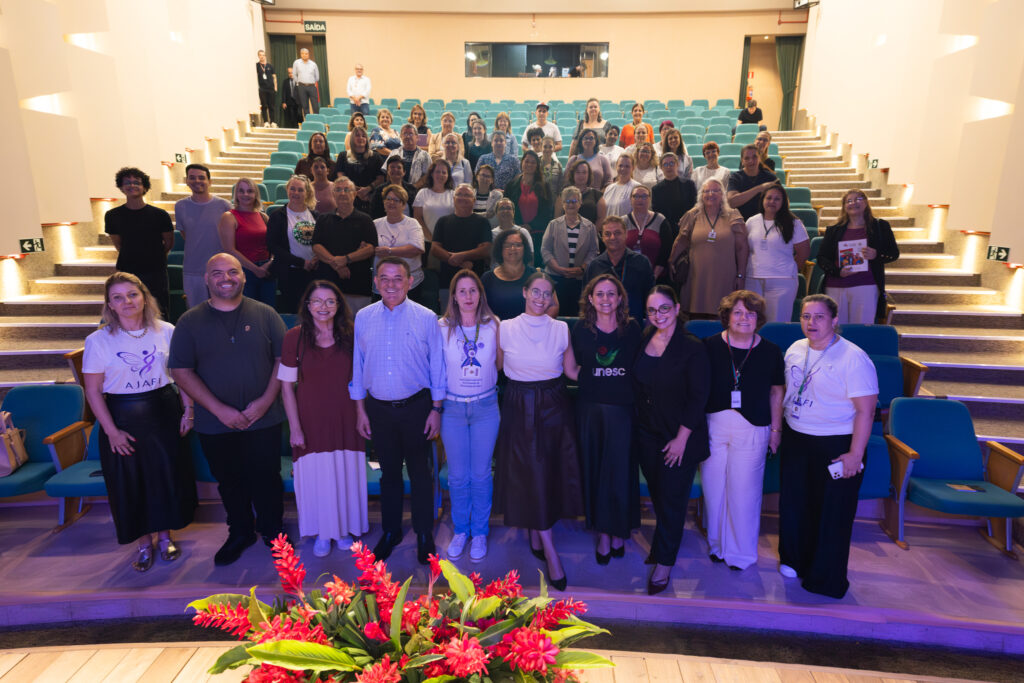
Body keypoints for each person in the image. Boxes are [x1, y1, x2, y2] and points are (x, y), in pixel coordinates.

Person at [168, 253, 287, 567]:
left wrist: (265, 401)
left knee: (267, 477)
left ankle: (273, 531)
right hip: (215, 422)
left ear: (244, 277)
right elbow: (180, 371)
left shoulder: (266, 314)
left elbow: (283, 361)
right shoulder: (189, 321)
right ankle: (240, 531)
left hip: (264, 418)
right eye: (217, 273)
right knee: (230, 481)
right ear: (206, 279)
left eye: (233, 272)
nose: (226, 278)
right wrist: (219, 410)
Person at [82, 272, 196, 572]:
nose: (127, 302)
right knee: (130, 483)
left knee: (164, 477)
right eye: (118, 298)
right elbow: (92, 391)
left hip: (163, 413)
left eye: (132, 294)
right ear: (110, 305)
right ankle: (144, 543)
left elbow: (182, 375)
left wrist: (188, 410)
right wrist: (111, 432)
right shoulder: (97, 340)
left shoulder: (167, 331)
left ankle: (166, 537)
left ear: (144, 297)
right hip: (121, 419)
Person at [779, 294, 878, 598]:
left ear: (834, 320)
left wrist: (855, 454)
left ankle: (824, 578)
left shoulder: (853, 357)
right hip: (797, 438)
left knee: (832, 513)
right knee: (796, 504)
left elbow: (866, 412)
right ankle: (794, 560)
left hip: (836, 443)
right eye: (806, 316)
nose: (811, 323)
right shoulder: (796, 349)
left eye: (819, 317)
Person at [351, 258, 445, 564]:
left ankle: (423, 533)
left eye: (398, 278)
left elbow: (437, 365)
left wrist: (436, 409)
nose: (391, 284)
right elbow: (358, 365)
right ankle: (391, 531)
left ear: (410, 281)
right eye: (385, 278)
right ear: (376, 282)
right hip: (378, 409)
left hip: (417, 407)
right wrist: (360, 410)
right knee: (388, 473)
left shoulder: (426, 317)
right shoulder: (363, 317)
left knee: (420, 473)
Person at [495, 272, 582, 590]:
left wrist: (611, 370)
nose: (541, 298)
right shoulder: (505, 327)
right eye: (536, 291)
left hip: (554, 403)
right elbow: (498, 367)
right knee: (530, 472)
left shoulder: (561, 329)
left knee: (546, 473)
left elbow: (572, 371)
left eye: (547, 293)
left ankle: (536, 530)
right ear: (524, 292)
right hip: (519, 403)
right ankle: (550, 551)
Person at [279, 281, 366, 557]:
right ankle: (321, 532)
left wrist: (362, 414)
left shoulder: (352, 335)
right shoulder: (294, 337)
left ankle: (342, 530)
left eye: (330, 301)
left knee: (344, 473)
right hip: (310, 419)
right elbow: (286, 388)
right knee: (316, 475)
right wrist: (295, 428)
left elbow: (360, 380)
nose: (323, 307)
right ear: (307, 306)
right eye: (317, 301)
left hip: (346, 416)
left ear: (339, 305)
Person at [632, 285, 710, 594]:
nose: (658, 315)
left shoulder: (692, 346)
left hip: (678, 437)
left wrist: (681, 439)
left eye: (664, 308)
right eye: (652, 310)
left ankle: (664, 562)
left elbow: (698, 397)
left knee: (673, 500)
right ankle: (662, 546)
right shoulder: (645, 338)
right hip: (647, 433)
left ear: (677, 308)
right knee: (659, 496)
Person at [702, 290, 785, 571]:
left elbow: (777, 392)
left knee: (745, 494)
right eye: (737, 312)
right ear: (727, 316)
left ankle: (740, 554)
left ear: (758, 319)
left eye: (750, 313)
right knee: (714, 491)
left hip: (753, 428)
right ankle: (717, 545)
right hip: (713, 426)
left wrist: (776, 431)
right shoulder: (709, 346)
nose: (744, 318)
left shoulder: (771, 351)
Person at [566, 275, 642, 564]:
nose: (606, 299)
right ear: (591, 298)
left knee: (620, 473)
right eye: (600, 294)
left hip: (622, 410)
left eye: (611, 294)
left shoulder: (632, 329)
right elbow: (571, 370)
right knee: (596, 471)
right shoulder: (580, 329)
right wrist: (593, 381)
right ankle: (603, 534)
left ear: (620, 298)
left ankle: (618, 529)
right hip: (591, 411)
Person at [439, 270, 502, 562]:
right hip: (452, 409)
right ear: (454, 296)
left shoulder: (493, 325)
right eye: (462, 291)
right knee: (457, 476)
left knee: (480, 474)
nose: (467, 296)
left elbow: (499, 364)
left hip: (485, 407)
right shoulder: (441, 327)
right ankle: (461, 530)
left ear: (480, 294)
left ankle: (479, 532)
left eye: (473, 290)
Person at [818, 190, 900, 325]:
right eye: (849, 201)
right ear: (844, 206)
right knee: (835, 329)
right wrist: (838, 272)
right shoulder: (834, 230)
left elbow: (893, 253)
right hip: (835, 286)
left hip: (865, 285)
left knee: (861, 329)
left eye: (858, 199)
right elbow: (822, 258)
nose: (853, 203)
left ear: (866, 202)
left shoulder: (880, 226)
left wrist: (876, 254)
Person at [670, 178, 748, 318]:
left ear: (722, 195)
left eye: (715, 191)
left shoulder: (733, 215)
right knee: (694, 318)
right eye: (706, 191)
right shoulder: (692, 215)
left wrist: (741, 276)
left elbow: (742, 248)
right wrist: (671, 261)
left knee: (723, 315)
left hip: (724, 278)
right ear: (701, 195)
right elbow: (681, 241)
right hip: (696, 277)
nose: (710, 194)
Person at [105, 167, 174, 319]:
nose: (132, 185)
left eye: (136, 182)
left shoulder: (160, 215)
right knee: (129, 309)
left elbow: (169, 242)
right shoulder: (112, 215)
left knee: (160, 309)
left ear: (144, 187)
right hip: (127, 269)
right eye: (127, 182)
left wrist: (155, 255)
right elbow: (118, 245)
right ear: (121, 187)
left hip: (155, 270)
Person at [312, 177, 378, 314]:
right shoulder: (323, 219)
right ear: (333, 194)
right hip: (328, 285)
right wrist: (337, 264)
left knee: (358, 325)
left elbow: (371, 249)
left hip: (358, 286)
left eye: (347, 190)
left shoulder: (366, 220)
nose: (342, 193)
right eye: (338, 190)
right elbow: (316, 246)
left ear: (354, 194)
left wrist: (346, 259)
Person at [746, 184, 811, 322]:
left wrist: (789, 269)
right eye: (769, 198)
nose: (772, 201)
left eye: (777, 199)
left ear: (783, 202)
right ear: (763, 200)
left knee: (777, 322)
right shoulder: (752, 221)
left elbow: (804, 252)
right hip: (753, 279)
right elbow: (746, 249)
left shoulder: (794, 223)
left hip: (782, 282)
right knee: (752, 321)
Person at [175, 164, 232, 308]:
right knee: (197, 312)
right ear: (187, 181)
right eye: (192, 177)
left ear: (209, 181)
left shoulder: (224, 205)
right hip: (193, 269)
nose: (197, 181)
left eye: (201, 178)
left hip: (220, 268)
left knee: (223, 309)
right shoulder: (180, 206)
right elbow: (186, 234)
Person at [431, 184, 493, 307]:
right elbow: (435, 249)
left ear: (474, 200)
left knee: (474, 316)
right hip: (447, 283)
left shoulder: (482, 222)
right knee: (448, 317)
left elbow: (486, 250)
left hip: (475, 281)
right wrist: (460, 262)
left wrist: (460, 256)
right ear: (454, 199)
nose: (463, 198)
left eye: (467, 195)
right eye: (459, 194)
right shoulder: (442, 221)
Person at [217, 177, 275, 307]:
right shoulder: (229, 217)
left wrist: (269, 263)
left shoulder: (263, 216)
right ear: (236, 194)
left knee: (268, 311)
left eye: (250, 191)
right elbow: (229, 250)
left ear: (256, 194)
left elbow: (272, 244)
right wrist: (255, 269)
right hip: (244, 271)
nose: (245, 194)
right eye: (241, 191)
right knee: (247, 312)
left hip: (266, 270)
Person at [541, 186, 598, 316]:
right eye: (567, 201)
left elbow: (593, 251)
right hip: (556, 278)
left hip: (580, 280)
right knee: (556, 314)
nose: (570, 204)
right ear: (562, 204)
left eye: (574, 201)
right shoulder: (553, 225)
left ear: (580, 203)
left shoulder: (590, 226)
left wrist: (582, 269)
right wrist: (559, 269)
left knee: (577, 315)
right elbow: (545, 250)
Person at [584, 215, 654, 320]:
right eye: (607, 234)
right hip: (601, 326)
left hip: (634, 324)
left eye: (617, 233)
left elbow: (651, 299)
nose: (612, 237)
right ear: (602, 237)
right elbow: (586, 302)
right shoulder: (593, 266)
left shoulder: (642, 263)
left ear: (626, 234)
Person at [267, 175, 319, 314]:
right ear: (287, 190)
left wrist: (316, 259)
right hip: (288, 274)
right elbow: (272, 246)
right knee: (292, 313)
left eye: (300, 190)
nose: (296, 193)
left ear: (307, 192)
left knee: (311, 312)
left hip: (312, 272)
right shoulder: (277, 216)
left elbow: (322, 242)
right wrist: (301, 263)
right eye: (292, 189)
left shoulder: (315, 216)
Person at [373, 184, 426, 302]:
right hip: (383, 285)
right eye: (388, 199)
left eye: (396, 200)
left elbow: (417, 249)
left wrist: (389, 251)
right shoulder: (375, 224)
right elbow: (368, 247)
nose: (391, 202)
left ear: (403, 205)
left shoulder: (412, 224)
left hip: (409, 285)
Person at [482, 226, 544, 320]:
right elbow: (480, 310)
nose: (513, 248)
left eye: (518, 245)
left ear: (525, 248)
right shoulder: (487, 278)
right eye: (507, 245)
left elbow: (552, 306)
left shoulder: (535, 276)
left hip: (529, 328)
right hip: (497, 328)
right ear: (500, 249)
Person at [505, 151, 554, 266]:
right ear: (522, 162)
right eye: (527, 161)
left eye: (533, 162)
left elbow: (547, 212)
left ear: (537, 166)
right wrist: (519, 226)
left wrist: (530, 226)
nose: (529, 164)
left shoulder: (544, 186)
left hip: (538, 235)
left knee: (534, 268)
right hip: (516, 233)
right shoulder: (511, 185)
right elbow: (507, 209)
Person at [625, 185, 672, 280]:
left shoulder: (660, 220)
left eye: (644, 196)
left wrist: (654, 275)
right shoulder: (623, 221)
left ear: (650, 199)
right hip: (628, 276)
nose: (640, 199)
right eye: (636, 196)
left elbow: (666, 250)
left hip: (656, 276)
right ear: (630, 199)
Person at [335, 127, 385, 214]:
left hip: (369, 198)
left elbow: (381, 178)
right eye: (357, 135)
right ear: (352, 139)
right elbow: (340, 176)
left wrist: (367, 189)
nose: (361, 138)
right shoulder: (343, 156)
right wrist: (356, 190)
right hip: (348, 197)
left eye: (363, 136)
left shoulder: (376, 156)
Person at [727, 145, 778, 221]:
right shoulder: (735, 177)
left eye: (754, 157)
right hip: (741, 223)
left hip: (765, 222)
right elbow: (731, 202)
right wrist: (759, 188)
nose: (751, 161)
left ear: (759, 158)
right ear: (742, 161)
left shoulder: (771, 178)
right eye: (747, 158)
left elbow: (782, 202)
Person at [412, 159, 455, 248]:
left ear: (448, 176)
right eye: (437, 172)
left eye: (444, 172)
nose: (441, 175)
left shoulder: (453, 194)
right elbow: (417, 218)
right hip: (426, 241)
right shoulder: (423, 193)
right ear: (432, 174)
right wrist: (432, 239)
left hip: (448, 241)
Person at [652, 152, 698, 235]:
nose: (669, 167)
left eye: (672, 163)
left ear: (677, 165)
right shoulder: (656, 189)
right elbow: (658, 212)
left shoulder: (689, 184)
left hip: (688, 226)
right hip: (667, 229)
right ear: (661, 168)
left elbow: (694, 205)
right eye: (665, 164)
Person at [555, 159, 607, 227]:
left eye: (584, 172)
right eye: (578, 172)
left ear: (589, 175)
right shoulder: (563, 194)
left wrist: (591, 232)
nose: (581, 175)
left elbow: (601, 218)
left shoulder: (597, 195)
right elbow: (557, 217)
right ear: (573, 174)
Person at [369, 155, 417, 220]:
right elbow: (374, 213)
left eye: (399, 167)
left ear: (404, 172)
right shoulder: (379, 190)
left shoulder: (412, 190)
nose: (395, 169)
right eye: (392, 167)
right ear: (388, 171)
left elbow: (416, 212)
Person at [603, 154, 642, 219]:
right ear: (616, 167)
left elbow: (640, 214)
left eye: (627, 166)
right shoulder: (608, 188)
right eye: (620, 165)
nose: (623, 169)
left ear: (633, 168)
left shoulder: (637, 188)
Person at [291, 48, 320, 115]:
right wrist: (299, 82)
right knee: (305, 106)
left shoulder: (313, 64)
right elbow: (294, 74)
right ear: (301, 54)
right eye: (303, 53)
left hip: (312, 87)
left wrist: (311, 82)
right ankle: (307, 120)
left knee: (315, 105)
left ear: (308, 54)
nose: (304, 55)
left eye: (306, 54)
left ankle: (317, 119)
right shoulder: (296, 63)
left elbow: (317, 77)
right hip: (301, 87)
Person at [256, 50, 277, 127]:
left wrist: (275, 87)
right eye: (260, 55)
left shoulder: (270, 66)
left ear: (265, 56)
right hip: (262, 88)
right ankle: (266, 122)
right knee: (264, 105)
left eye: (263, 55)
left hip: (270, 88)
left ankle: (273, 122)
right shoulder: (257, 66)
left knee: (271, 106)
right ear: (258, 56)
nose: (262, 56)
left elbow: (274, 77)